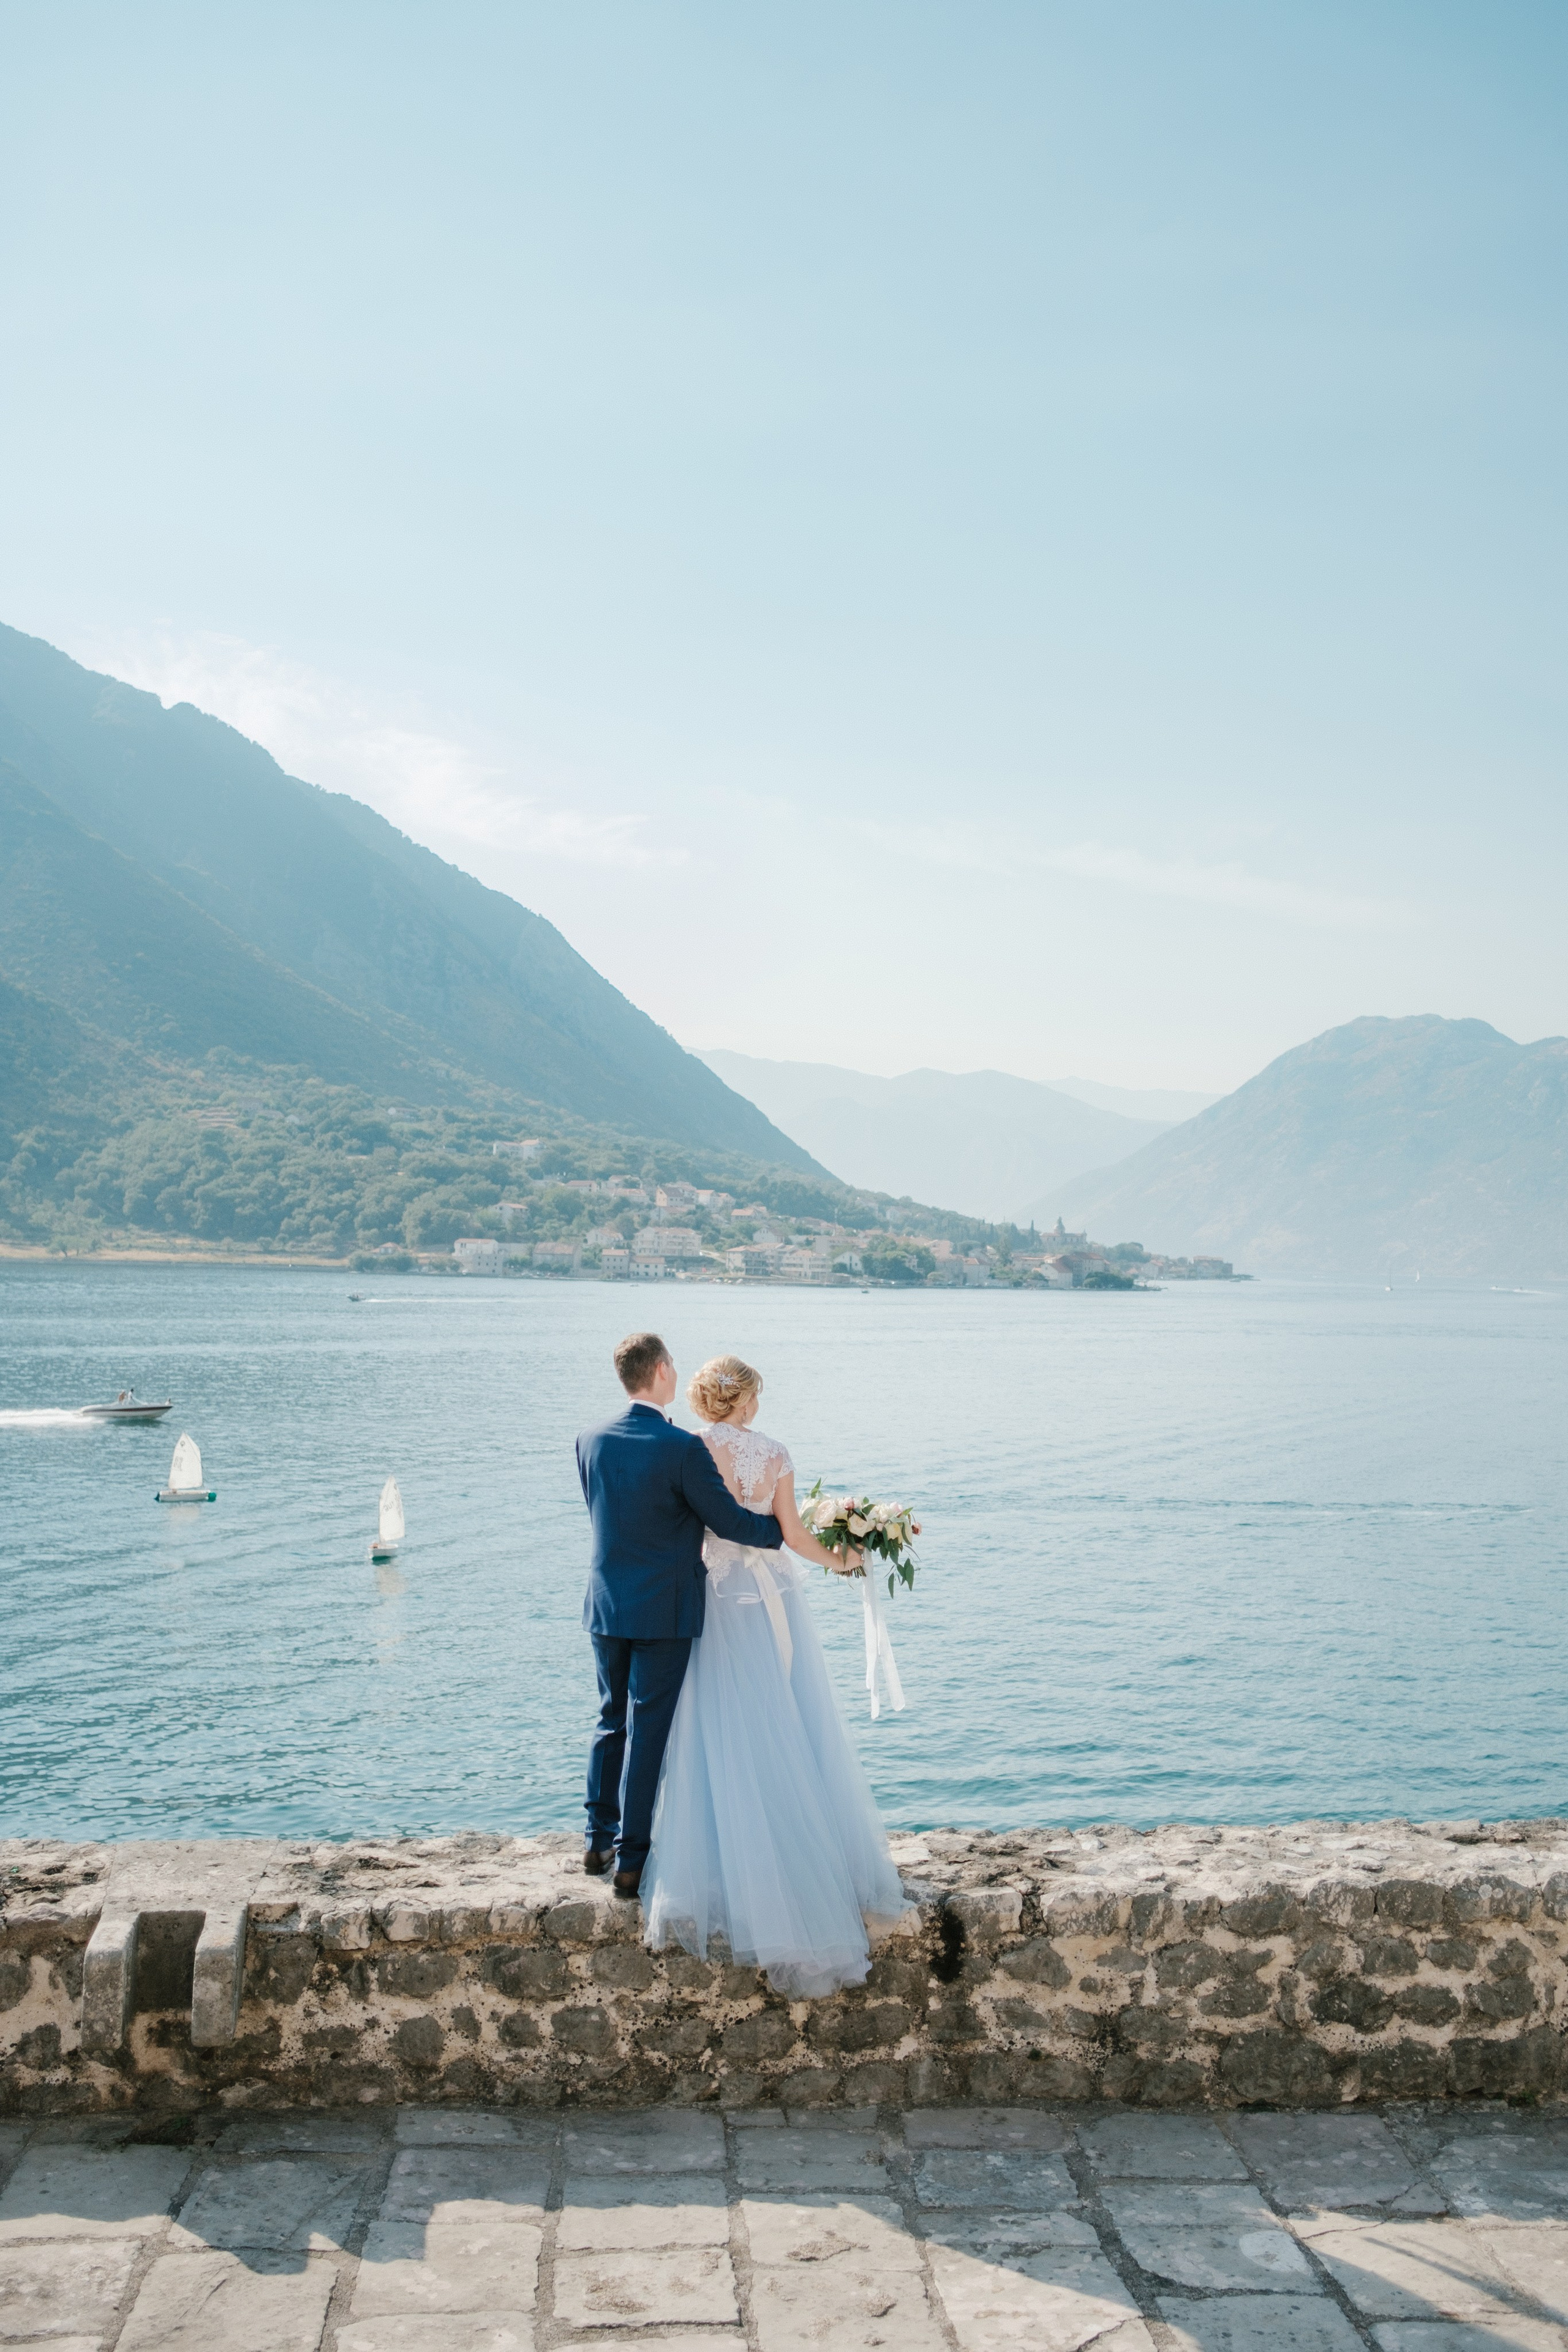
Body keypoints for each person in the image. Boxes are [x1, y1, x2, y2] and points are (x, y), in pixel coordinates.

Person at [642, 1352, 908, 1995]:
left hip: (714, 1596)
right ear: (746, 1398)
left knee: (720, 1725)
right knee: (788, 1718)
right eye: (755, 1395)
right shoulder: (775, 1452)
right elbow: (791, 1534)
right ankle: (808, 1862)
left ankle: (728, 1868)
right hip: (773, 1599)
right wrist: (843, 1562)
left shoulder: (689, 1448)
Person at [575, 1331, 788, 1900]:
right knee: (648, 1733)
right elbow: (731, 1522)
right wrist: (780, 1532)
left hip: (606, 1604)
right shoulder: (678, 1448)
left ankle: (597, 1841)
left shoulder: (589, 1439)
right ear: (664, 1372)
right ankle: (631, 1863)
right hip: (664, 1611)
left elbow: (609, 1515)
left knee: (609, 1721)